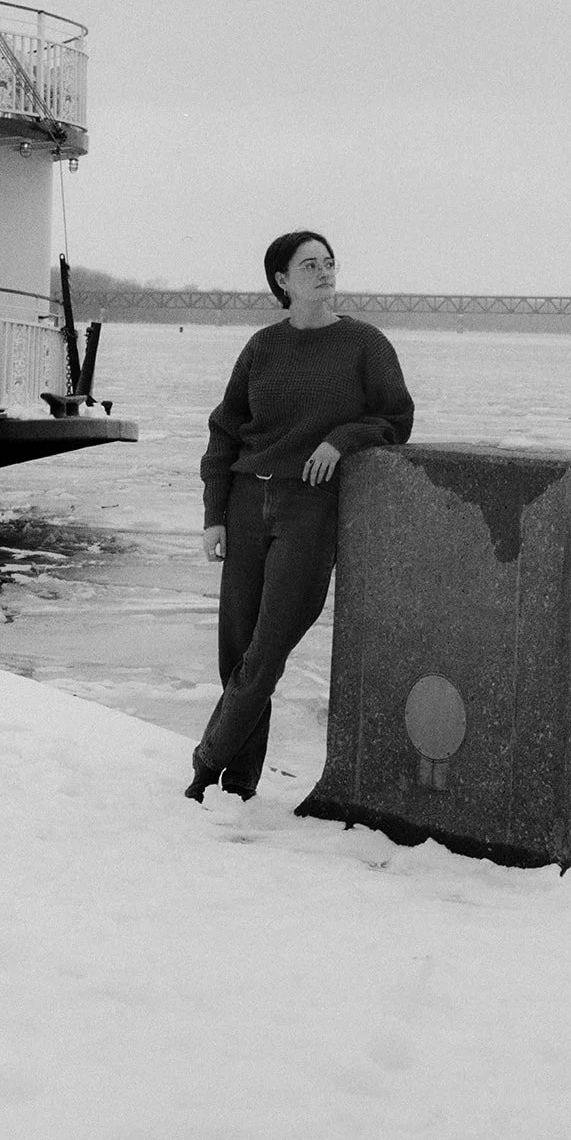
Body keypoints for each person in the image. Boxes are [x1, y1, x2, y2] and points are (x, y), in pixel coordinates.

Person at [185, 230, 414, 802]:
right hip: (244, 503)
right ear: (282, 281)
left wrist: (344, 438)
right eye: (309, 265)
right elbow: (225, 430)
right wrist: (215, 514)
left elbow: (396, 418)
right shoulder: (262, 348)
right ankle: (237, 785)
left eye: (329, 263)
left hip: (309, 508)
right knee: (235, 652)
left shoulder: (366, 344)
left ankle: (204, 763)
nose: (324, 272)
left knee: (268, 647)